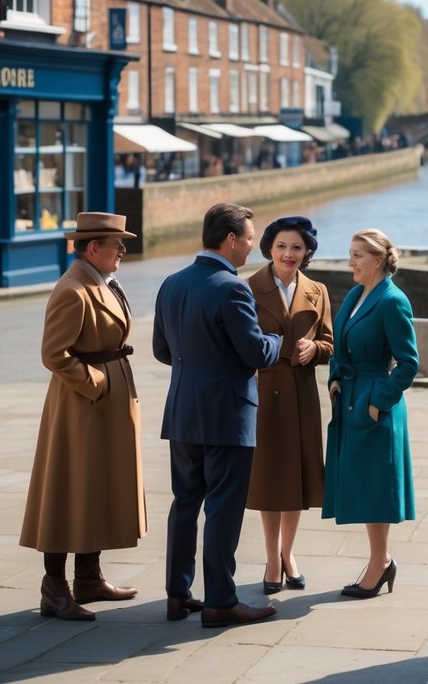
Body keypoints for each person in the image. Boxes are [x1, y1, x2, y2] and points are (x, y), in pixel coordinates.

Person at [153, 203, 283, 628]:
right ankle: (221, 601)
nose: (252, 247)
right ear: (230, 239)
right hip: (227, 415)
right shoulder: (232, 287)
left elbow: (161, 351)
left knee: (185, 503)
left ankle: (177, 594)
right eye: (248, 239)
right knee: (224, 508)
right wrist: (277, 340)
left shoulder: (171, 283)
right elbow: (255, 352)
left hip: (183, 412)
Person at [20, 212, 146, 621]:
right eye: (117, 244)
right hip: (82, 407)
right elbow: (53, 355)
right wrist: (97, 383)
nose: (123, 251)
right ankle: (53, 587)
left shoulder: (101, 280)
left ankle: (88, 577)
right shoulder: (73, 289)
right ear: (94, 248)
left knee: (98, 489)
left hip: (104, 404)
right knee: (68, 490)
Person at [324, 229, 419, 598]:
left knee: (376, 487)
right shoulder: (354, 294)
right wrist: (334, 379)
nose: (351, 262)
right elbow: (339, 346)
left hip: (375, 405)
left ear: (378, 259)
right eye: (350, 254)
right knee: (363, 484)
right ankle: (381, 560)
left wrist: (377, 401)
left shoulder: (393, 300)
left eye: (358, 255)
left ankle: (380, 563)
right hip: (349, 398)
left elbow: (409, 363)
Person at [246, 216, 333, 593]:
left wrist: (314, 349)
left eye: (297, 247)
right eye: (281, 246)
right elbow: (241, 343)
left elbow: (330, 343)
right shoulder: (249, 287)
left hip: (301, 393)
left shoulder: (318, 290)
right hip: (264, 393)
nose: (288, 254)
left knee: (298, 477)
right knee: (268, 477)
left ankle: (288, 553)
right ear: (269, 249)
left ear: (307, 251)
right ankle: (270, 558)